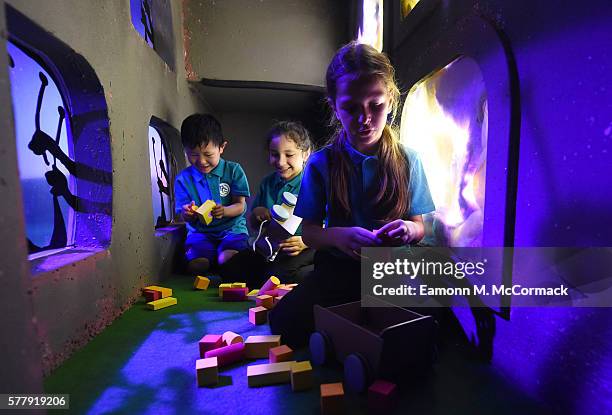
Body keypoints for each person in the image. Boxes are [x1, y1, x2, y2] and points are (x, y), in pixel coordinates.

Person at [269, 41, 435, 347]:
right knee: (284, 323)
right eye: (350, 107)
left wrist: (409, 230)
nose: (365, 119)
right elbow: (310, 233)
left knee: (431, 330)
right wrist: (337, 237)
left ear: (391, 100)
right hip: (340, 268)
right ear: (334, 106)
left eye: (376, 105)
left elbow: (420, 226)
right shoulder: (321, 163)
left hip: (392, 270)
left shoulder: (410, 159)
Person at [219, 121, 315, 287]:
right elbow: (254, 224)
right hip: (269, 248)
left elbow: (328, 225)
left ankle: (308, 273)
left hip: (303, 247)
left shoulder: (314, 183)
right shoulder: (268, 183)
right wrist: (258, 213)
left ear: (305, 154)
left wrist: (305, 241)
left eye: (289, 155)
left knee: (275, 277)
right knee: (230, 271)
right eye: (274, 154)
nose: (281, 162)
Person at [174, 113, 250, 274]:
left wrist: (225, 211)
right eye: (193, 155)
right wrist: (187, 213)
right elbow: (181, 214)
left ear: (222, 147)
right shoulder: (183, 179)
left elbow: (241, 206)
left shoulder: (234, 170)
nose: (201, 161)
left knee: (228, 259)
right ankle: (209, 261)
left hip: (232, 230)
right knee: (197, 264)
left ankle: (221, 260)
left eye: (208, 155)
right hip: (200, 233)